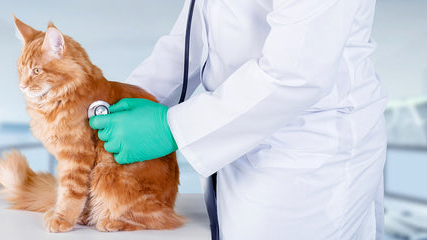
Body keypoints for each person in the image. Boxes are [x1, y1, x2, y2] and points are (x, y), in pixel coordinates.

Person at [89, 0, 388, 239]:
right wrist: (122, 101)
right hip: (235, 135)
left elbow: (296, 73)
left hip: (307, 156)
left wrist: (170, 128)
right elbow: (194, 34)